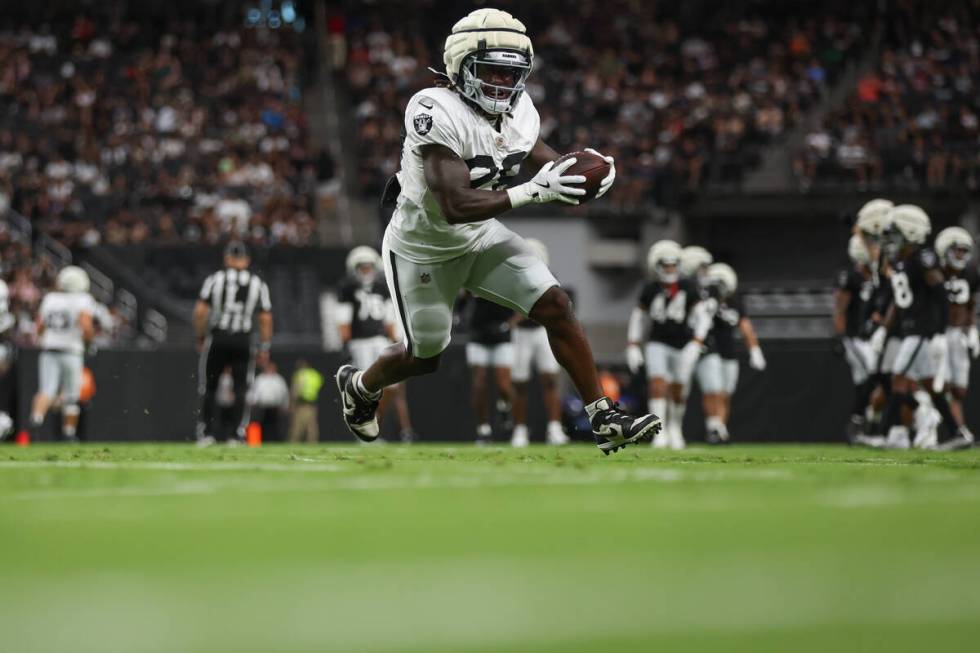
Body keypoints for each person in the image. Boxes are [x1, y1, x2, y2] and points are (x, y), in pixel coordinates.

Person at [334, 8, 661, 455]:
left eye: (512, 74)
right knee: (424, 357)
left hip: (481, 235)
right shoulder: (434, 108)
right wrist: (536, 191)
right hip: (421, 248)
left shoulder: (519, 111)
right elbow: (454, 205)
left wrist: (581, 173)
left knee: (555, 303)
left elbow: (542, 159)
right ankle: (360, 386)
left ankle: (603, 415)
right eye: (491, 71)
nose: (503, 84)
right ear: (460, 67)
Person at [863, 205, 953, 449]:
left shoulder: (923, 258)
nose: (892, 240)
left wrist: (940, 333)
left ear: (911, 232)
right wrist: (883, 329)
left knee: (899, 379)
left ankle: (883, 433)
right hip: (912, 329)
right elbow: (898, 300)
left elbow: (941, 295)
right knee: (924, 384)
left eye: (896, 233)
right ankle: (954, 431)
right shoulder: (902, 261)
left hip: (922, 330)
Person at [626, 240, 710, 449]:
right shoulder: (650, 288)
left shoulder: (688, 287)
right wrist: (633, 344)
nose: (670, 269)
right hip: (658, 342)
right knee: (657, 383)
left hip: (683, 343)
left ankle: (675, 427)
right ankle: (659, 431)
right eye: (666, 265)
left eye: (673, 265)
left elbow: (703, 316)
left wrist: (696, 342)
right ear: (657, 266)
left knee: (679, 389)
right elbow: (639, 317)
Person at [194, 241, 273, 446]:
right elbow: (265, 319)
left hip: (218, 337)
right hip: (243, 340)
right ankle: (236, 434)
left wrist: (201, 336)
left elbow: (200, 312)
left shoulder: (215, 279)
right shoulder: (258, 283)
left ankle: (208, 433)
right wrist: (264, 346)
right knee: (241, 388)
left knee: (210, 386)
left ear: (227, 258)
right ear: (246, 260)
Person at [336, 246, 417, 443]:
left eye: (368, 267)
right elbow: (344, 320)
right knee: (365, 389)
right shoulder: (347, 288)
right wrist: (345, 343)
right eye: (362, 267)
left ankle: (373, 423)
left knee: (391, 387)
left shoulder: (382, 287)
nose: (365, 271)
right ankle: (363, 434)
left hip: (381, 341)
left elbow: (389, 320)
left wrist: (397, 342)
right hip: (359, 342)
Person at [696, 263, 765, 443]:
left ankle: (720, 429)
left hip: (729, 352)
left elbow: (745, 326)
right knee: (714, 391)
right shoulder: (705, 302)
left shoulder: (735, 302)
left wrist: (755, 349)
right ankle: (713, 427)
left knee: (725, 394)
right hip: (711, 350)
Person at [510, 239, 569, 447]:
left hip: (542, 331)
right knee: (519, 384)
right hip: (520, 334)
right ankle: (519, 430)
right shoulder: (513, 276)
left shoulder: (549, 277)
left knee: (551, 380)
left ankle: (554, 428)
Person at [29, 266, 95, 442]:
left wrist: (46, 338)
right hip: (71, 351)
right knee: (72, 395)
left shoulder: (50, 298)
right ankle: (68, 433)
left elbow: (40, 326)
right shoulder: (83, 299)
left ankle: (36, 422)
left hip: (49, 350)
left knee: (46, 390)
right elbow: (86, 326)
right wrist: (89, 342)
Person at [933, 227, 978, 450]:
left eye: (964, 251)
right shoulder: (934, 272)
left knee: (959, 389)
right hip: (939, 334)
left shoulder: (970, 274)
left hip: (958, 335)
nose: (960, 255)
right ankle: (957, 430)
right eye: (956, 250)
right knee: (945, 385)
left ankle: (957, 430)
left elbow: (971, 304)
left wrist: (972, 329)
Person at [833, 235, 878, 440]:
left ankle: (863, 423)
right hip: (855, 338)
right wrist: (840, 336)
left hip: (874, 337)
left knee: (865, 382)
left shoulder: (878, 275)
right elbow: (840, 309)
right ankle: (861, 419)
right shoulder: (849, 276)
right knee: (872, 376)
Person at [464, 294, 515, 445]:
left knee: (504, 387)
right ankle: (483, 429)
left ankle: (504, 407)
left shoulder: (506, 276)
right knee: (479, 384)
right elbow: (462, 296)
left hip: (502, 337)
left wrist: (508, 325)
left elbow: (521, 307)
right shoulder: (473, 275)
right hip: (478, 336)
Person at [248, 360, 290, 441]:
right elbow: (254, 392)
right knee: (263, 425)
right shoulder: (260, 379)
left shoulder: (279, 379)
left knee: (276, 426)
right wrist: (252, 401)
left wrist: (285, 405)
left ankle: (276, 441)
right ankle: (263, 440)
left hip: (275, 407)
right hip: (262, 407)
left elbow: (284, 393)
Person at [290, 359, 323, 443]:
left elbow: (296, 389)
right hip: (312, 403)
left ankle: (294, 443)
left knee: (297, 426)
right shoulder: (315, 374)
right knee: (311, 426)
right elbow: (319, 385)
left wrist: (293, 402)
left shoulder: (300, 375)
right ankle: (312, 443)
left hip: (301, 403)